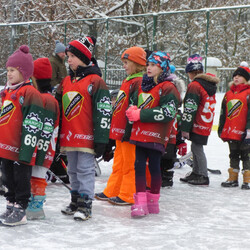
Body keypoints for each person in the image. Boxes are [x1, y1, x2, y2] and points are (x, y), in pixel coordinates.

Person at [56, 36, 111, 221]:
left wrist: (102, 138)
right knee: (72, 170)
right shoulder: (66, 81)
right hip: (69, 136)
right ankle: (75, 199)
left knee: (85, 169)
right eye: (68, 56)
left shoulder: (95, 81)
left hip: (87, 137)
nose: (68, 59)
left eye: (72, 56)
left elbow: (103, 110)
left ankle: (85, 204)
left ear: (83, 58)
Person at [126, 51, 181, 217]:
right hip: (140, 133)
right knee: (139, 166)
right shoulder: (143, 84)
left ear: (162, 67)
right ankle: (140, 203)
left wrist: (140, 114)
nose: (148, 68)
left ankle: (152, 202)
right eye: (148, 65)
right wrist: (132, 109)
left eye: (153, 65)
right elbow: (135, 102)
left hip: (156, 134)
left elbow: (169, 111)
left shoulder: (168, 87)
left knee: (155, 167)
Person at [95, 46, 146, 205]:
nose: (123, 65)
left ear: (137, 64)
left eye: (126, 62)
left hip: (129, 131)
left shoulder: (139, 82)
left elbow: (135, 107)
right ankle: (112, 190)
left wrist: (129, 129)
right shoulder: (128, 80)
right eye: (123, 62)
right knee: (119, 162)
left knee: (129, 164)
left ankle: (128, 194)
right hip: (120, 130)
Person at [0, 45, 44, 226]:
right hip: (6, 146)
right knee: (7, 177)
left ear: (23, 72)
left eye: (13, 70)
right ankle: (10, 204)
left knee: (20, 178)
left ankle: (21, 208)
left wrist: (27, 148)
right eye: (8, 70)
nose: (9, 74)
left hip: (21, 147)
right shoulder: (7, 92)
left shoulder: (29, 92)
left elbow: (33, 123)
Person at [26, 57, 60, 219]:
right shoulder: (44, 97)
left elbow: (45, 127)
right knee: (34, 175)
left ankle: (36, 207)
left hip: (43, 148)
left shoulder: (46, 100)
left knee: (38, 176)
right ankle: (33, 204)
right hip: (40, 147)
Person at [180, 54, 219, 185]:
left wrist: (185, 128)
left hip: (197, 122)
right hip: (205, 123)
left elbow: (190, 108)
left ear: (190, 72)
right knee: (196, 147)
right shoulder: (208, 85)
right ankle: (196, 173)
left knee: (197, 148)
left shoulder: (195, 85)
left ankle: (202, 175)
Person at [218, 64, 250, 189]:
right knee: (233, 153)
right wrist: (221, 128)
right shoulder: (228, 94)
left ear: (246, 79)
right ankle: (233, 177)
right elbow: (223, 113)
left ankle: (247, 179)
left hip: (244, 131)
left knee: (246, 154)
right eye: (235, 75)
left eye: (240, 76)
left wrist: (248, 129)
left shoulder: (248, 93)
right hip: (231, 131)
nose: (236, 78)